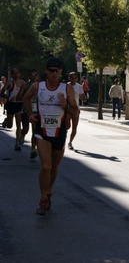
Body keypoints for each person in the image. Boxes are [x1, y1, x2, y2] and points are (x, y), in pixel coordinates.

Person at [23, 57, 78, 216]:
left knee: (54, 167)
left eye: (57, 71)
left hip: (59, 132)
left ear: (61, 72)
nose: (54, 73)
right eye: (51, 70)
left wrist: (65, 105)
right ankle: (42, 198)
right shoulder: (37, 86)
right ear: (46, 71)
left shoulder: (67, 89)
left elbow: (75, 112)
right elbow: (26, 98)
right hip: (42, 130)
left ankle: (48, 192)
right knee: (46, 166)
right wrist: (29, 113)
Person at [0, 68, 27, 151]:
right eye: (14, 73)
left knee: (18, 123)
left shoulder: (23, 83)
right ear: (12, 74)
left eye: (17, 73)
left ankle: (17, 143)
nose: (16, 75)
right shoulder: (9, 82)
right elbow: (2, 92)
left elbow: (26, 94)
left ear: (19, 74)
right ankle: (6, 121)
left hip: (18, 104)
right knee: (10, 125)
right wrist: (8, 98)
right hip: (10, 105)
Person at [66, 72, 86, 150]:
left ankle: (70, 142)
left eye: (75, 78)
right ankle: (64, 136)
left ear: (77, 79)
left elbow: (84, 98)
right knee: (67, 126)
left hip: (76, 109)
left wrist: (82, 98)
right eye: (72, 78)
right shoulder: (66, 86)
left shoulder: (79, 87)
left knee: (75, 127)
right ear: (69, 78)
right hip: (67, 109)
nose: (73, 80)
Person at [20, 70, 39, 148]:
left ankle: (33, 149)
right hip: (25, 110)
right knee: (26, 129)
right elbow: (19, 96)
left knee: (35, 130)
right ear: (29, 76)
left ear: (38, 77)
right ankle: (22, 134)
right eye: (32, 74)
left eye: (35, 74)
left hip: (36, 110)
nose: (34, 76)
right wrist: (27, 98)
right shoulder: (25, 85)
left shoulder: (41, 86)